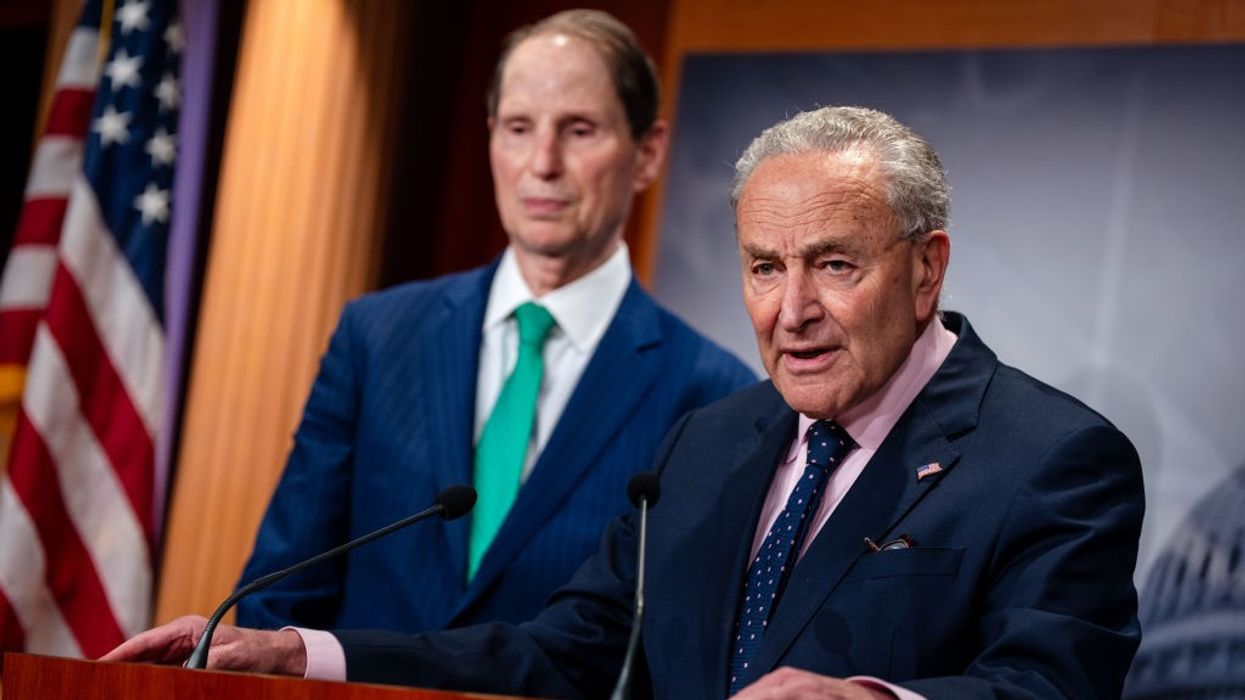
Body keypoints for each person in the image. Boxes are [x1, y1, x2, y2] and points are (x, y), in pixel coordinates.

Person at [106, 106, 1144, 699]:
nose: (792, 312)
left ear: (927, 272)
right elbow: (568, 649)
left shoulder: (1052, 457)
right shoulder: (711, 442)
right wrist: (308, 651)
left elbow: (1056, 688)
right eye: (762, 267)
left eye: (834, 265)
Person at [230, 9, 755, 634]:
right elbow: (280, 594)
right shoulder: (376, 337)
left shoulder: (712, 394)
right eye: (518, 127)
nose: (543, 163)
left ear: (647, 153)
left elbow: (675, 643)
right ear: (490, 138)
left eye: (579, 130)